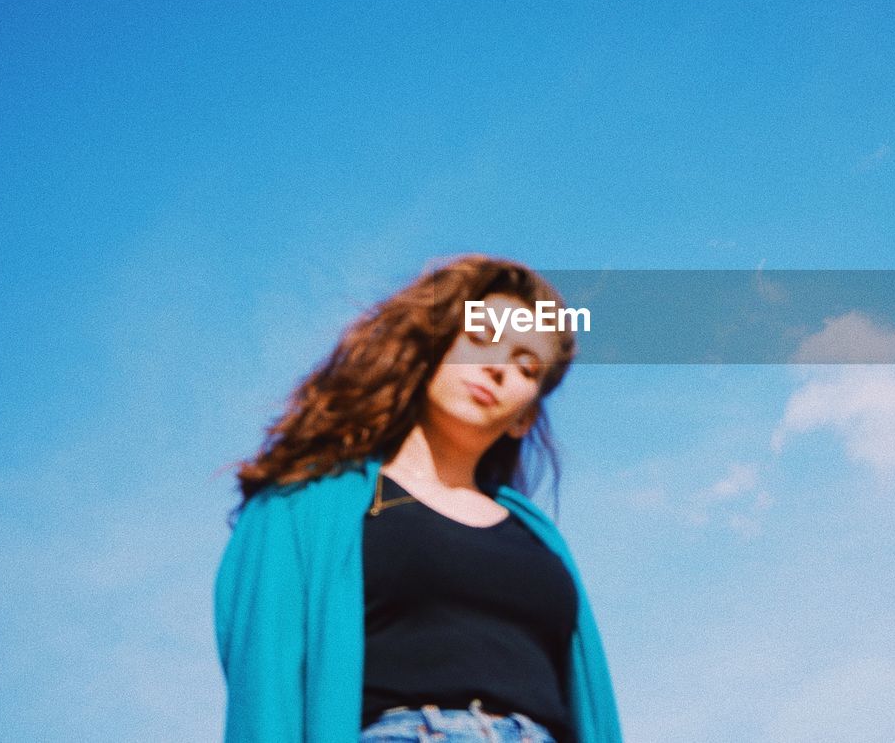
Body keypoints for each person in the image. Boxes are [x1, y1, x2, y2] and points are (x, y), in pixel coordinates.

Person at [213, 254, 623, 743]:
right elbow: (266, 686)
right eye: (480, 339)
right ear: (431, 348)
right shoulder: (307, 504)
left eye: (526, 367)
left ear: (525, 418)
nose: (496, 369)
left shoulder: (541, 539)